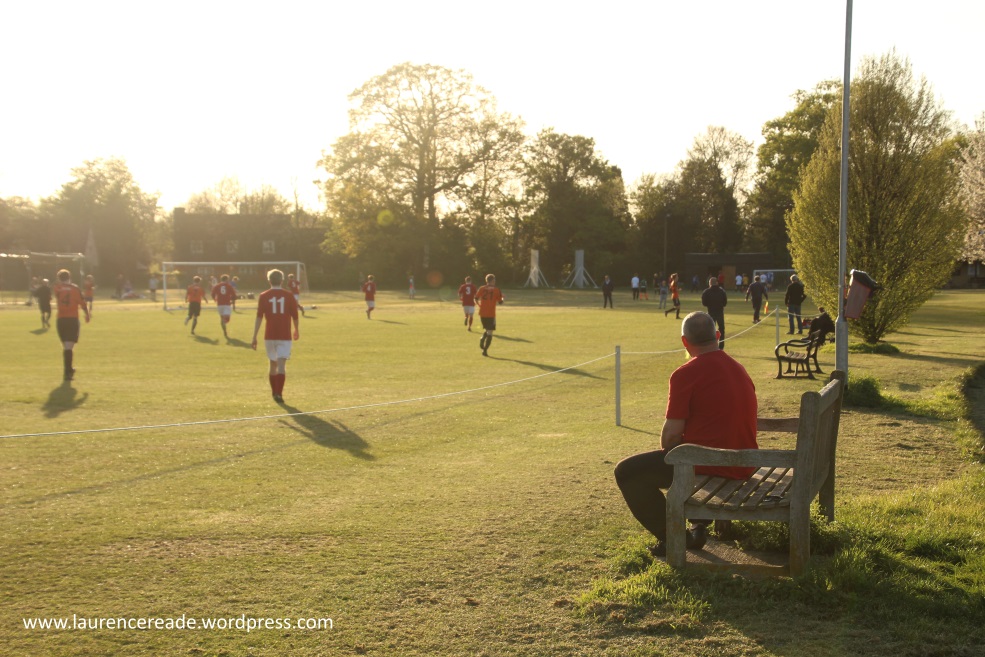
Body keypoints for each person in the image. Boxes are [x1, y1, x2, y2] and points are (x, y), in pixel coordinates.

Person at [614, 311, 758, 557]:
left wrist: (670, 450)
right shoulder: (738, 368)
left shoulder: (685, 373)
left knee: (627, 472)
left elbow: (671, 436)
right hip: (744, 460)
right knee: (683, 454)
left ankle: (674, 537)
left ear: (684, 341)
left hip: (714, 463)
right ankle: (698, 523)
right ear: (718, 335)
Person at [251, 269, 300, 404]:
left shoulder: (263, 295)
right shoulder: (289, 295)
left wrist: (254, 336)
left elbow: (259, 317)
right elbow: (295, 316)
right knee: (281, 365)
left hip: (269, 335)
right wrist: (296, 330)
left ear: (269, 280)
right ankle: (279, 393)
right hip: (285, 335)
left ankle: (274, 392)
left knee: (273, 364)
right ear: (282, 280)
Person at [52, 269, 91, 381]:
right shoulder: (75, 289)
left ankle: (69, 370)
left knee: (66, 346)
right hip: (72, 319)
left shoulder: (57, 288)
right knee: (69, 346)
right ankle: (67, 373)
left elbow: (57, 288)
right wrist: (87, 314)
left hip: (61, 320)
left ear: (59, 278)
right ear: (70, 277)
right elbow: (83, 303)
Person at [475, 273, 504, 357]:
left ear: (486, 281)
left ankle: (483, 338)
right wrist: (503, 298)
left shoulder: (481, 288)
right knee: (490, 332)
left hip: (482, 313)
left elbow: (476, 298)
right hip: (491, 314)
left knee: (487, 329)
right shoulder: (496, 289)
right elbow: (500, 302)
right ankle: (485, 350)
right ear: (493, 281)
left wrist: (480, 305)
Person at [701, 276, 728, 350]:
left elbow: (704, 303)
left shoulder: (706, 292)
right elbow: (725, 302)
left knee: (710, 329)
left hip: (711, 311)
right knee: (721, 329)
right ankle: (721, 346)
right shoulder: (722, 291)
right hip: (719, 311)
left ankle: (710, 346)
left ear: (709, 283)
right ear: (717, 283)